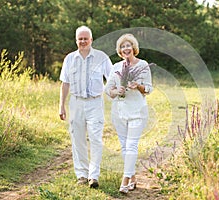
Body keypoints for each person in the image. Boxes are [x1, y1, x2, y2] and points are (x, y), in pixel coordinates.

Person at [59, 25, 112, 188]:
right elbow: (65, 83)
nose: (82, 41)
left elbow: (112, 79)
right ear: (76, 40)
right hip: (76, 102)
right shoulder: (69, 59)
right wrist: (61, 106)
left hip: (95, 102)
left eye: (85, 38)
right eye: (80, 39)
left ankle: (93, 176)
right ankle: (81, 174)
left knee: (96, 139)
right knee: (78, 139)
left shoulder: (101, 57)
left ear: (91, 40)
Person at [105, 33, 153, 194]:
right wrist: (116, 91)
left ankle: (125, 180)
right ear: (120, 51)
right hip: (119, 111)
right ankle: (132, 178)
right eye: (122, 46)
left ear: (134, 48)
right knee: (124, 146)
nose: (126, 48)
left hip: (137, 111)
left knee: (132, 145)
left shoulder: (143, 65)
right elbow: (108, 90)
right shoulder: (116, 67)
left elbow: (148, 89)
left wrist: (138, 86)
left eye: (128, 45)